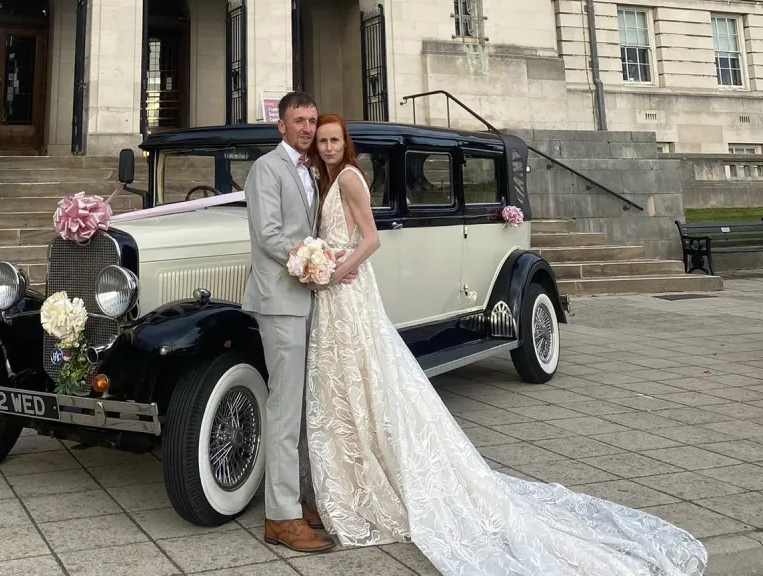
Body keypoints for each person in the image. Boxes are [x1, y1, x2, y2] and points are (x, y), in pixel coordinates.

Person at [302, 113, 709, 575]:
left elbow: (370, 237)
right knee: (350, 380)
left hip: (347, 287)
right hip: (338, 294)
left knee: (365, 376)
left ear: (345, 144)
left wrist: (337, 267)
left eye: (335, 140)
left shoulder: (349, 178)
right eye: (323, 140)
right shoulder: (326, 177)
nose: (329, 146)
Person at [241, 90, 353, 553]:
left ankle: (302, 500)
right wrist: (314, 259)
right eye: (299, 121)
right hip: (280, 301)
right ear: (280, 126)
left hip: (306, 299)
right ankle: (280, 518)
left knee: (307, 407)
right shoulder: (266, 168)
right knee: (285, 409)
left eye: (312, 120)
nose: (308, 128)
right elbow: (269, 235)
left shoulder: (311, 169)